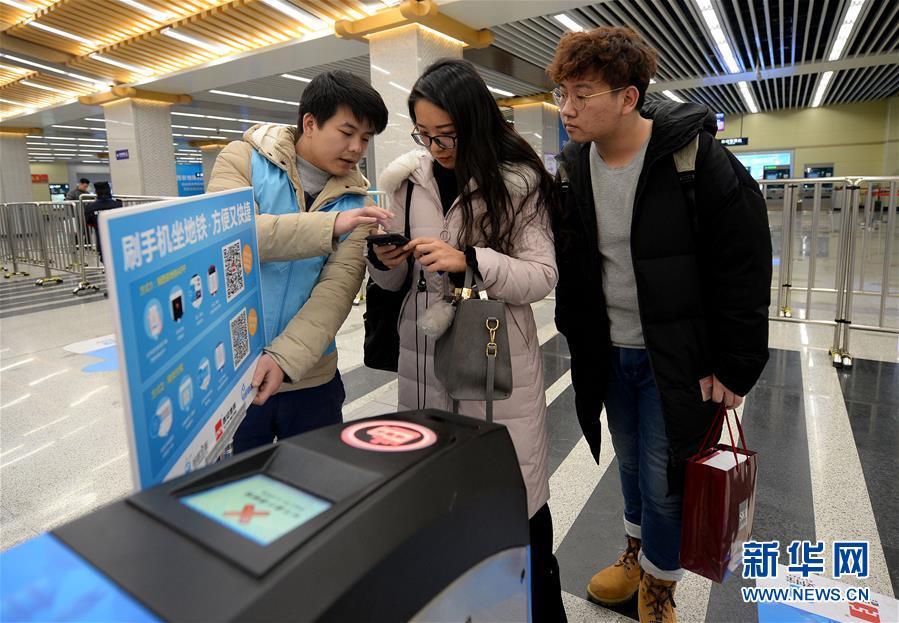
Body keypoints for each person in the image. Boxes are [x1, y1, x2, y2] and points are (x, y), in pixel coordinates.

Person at [547, 27, 771, 623]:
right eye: (562, 94)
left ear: (628, 96)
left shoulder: (694, 158)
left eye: (582, 94)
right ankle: (635, 555)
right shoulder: (572, 166)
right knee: (628, 463)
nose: (566, 109)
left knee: (665, 479)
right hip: (608, 353)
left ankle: (660, 590)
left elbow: (744, 265)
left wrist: (735, 364)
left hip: (677, 359)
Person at [367, 58, 565, 622]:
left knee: (515, 505)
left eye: (446, 135)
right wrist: (384, 262)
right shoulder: (407, 184)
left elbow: (542, 275)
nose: (435, 147)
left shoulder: (518, 182)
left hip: (495, 355)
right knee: (441, 505)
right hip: (424, 359)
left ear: (475, 122)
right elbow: (393, 283)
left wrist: (472, 260)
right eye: (423, 135)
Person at [207, 70, 391, 452]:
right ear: (310, 123)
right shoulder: (242, 159)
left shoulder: (359, 205)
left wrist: (283, 359)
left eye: (366, 138)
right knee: (235, 496)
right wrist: (329, 226)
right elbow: (234, 238)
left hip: (311, 377)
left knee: (314, 489)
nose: (357, 147)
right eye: (347, 132)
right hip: (233, 373)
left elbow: (335, 293)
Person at [83, 181, 122, 263]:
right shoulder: (118, 205)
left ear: (96, 192)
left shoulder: (90, 207)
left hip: (102, 242)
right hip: (118, 242)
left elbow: (89, 222)